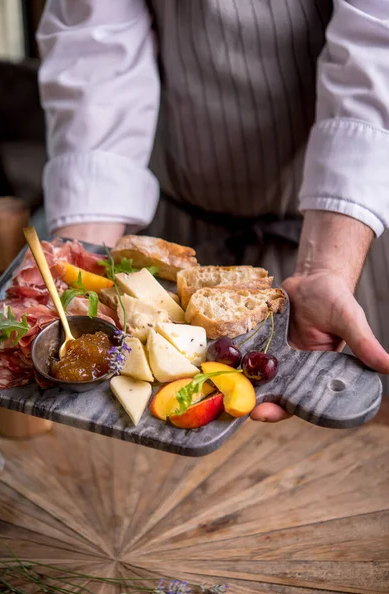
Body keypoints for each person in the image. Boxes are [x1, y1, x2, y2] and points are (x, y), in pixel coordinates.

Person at [36, 1, 389, 422]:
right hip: (181, 236)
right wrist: (79, 267)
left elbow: (375, 52)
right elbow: (95, 55)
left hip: (341, 236)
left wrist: (324, 268)